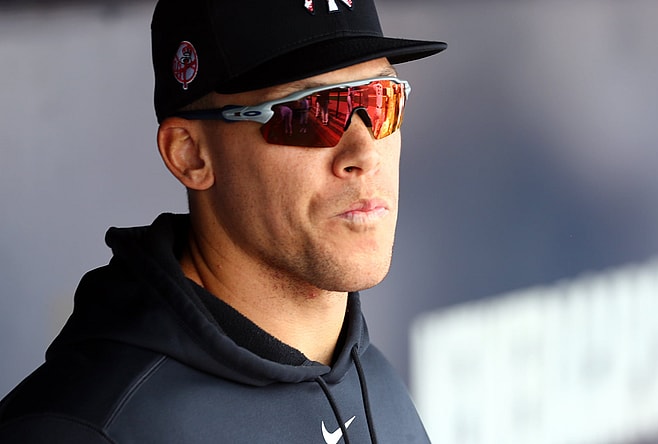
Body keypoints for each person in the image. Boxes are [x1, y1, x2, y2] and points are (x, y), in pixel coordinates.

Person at [0, 0, 445, 442]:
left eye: (382, 101)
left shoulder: (373, 376)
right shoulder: (83, 427)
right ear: (190, 154)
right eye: (310, 115)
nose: (364, 154)